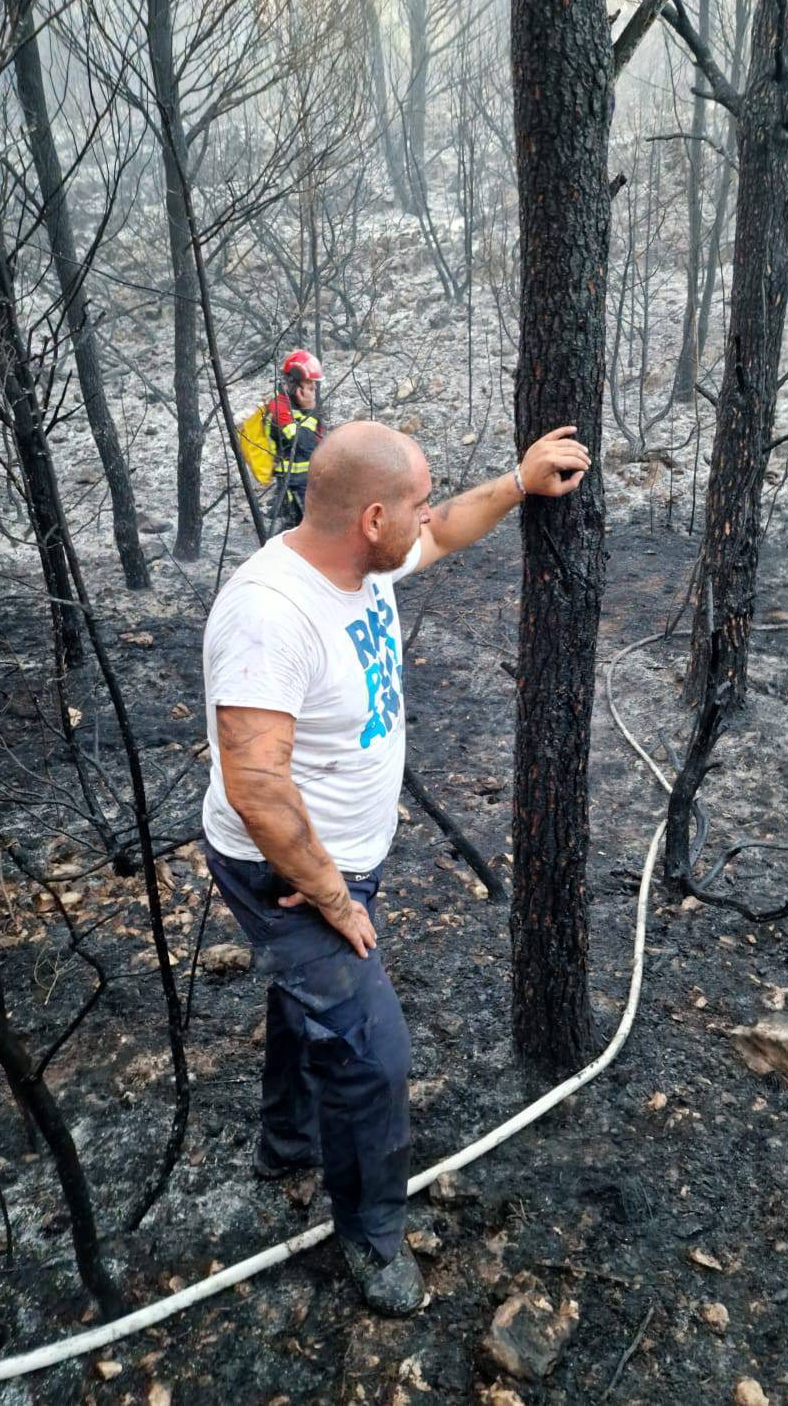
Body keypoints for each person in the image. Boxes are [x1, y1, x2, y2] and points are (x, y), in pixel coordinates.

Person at [200, 419, 589, 1315]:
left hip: (332, 861)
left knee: (313, 1009)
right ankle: (371, 1236)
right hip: (288, 870)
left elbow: (449, 529)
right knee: (374, 1052)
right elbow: (255, 786)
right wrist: (332, 896)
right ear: (371, 516)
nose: (427, 517)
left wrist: (520, 482)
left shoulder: (358, 562)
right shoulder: (272, 615)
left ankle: (286, 1141)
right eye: (412, 504)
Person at [237, 349, 325, 532]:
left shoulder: (296, 407)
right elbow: (303, 443)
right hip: (292, 484)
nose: (313, 390)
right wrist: (310, 410)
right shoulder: (280, 408)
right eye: (310, 384)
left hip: (307, 482)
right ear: (296, 383)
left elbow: (318, 440)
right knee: (299, 531)